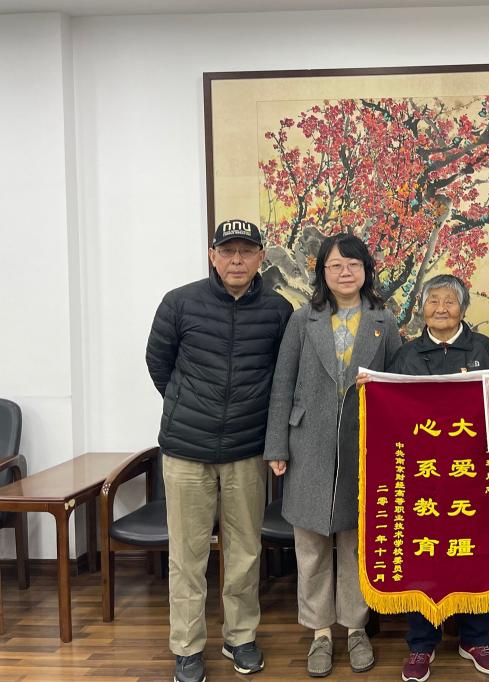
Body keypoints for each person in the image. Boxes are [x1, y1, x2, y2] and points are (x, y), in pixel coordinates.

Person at [146, 219, 293, 682]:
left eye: (246, 251)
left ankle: (240, 637)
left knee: (245, 552)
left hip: (246, 451)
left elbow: (282, 378)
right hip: (186, 451)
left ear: (260, 258)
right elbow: (159, 364)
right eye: (227, 251)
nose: (236, 260)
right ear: (213, 256)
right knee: (187, 556)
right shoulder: (180, 302)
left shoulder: (277, 310)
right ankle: (187, 647)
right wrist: (189, 406)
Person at [264, 234, 401, 678]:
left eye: (353, 265)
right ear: (322, 272)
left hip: (364, 445)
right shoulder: (303, 319)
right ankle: (320, 632)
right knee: (311, 545)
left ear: (366, 270)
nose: (345, 273)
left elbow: (399, 385)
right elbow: (282, 384)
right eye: (336, 265)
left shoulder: (383, 321)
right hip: (308, 443)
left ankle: (356, 628)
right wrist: (276, 445)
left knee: (357, 544)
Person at [381, 274, 489, 682]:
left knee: (475, 551)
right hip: (423, 478)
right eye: (432, 301)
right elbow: (390, 414)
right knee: (424, 554)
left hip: (472, 475)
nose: (440, 308)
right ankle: (421, 644)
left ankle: (476, 639)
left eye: (449, 301)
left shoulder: (485, 349)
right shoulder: (406, 355)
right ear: (422, 309)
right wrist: (373, 389)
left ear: (463, 308)